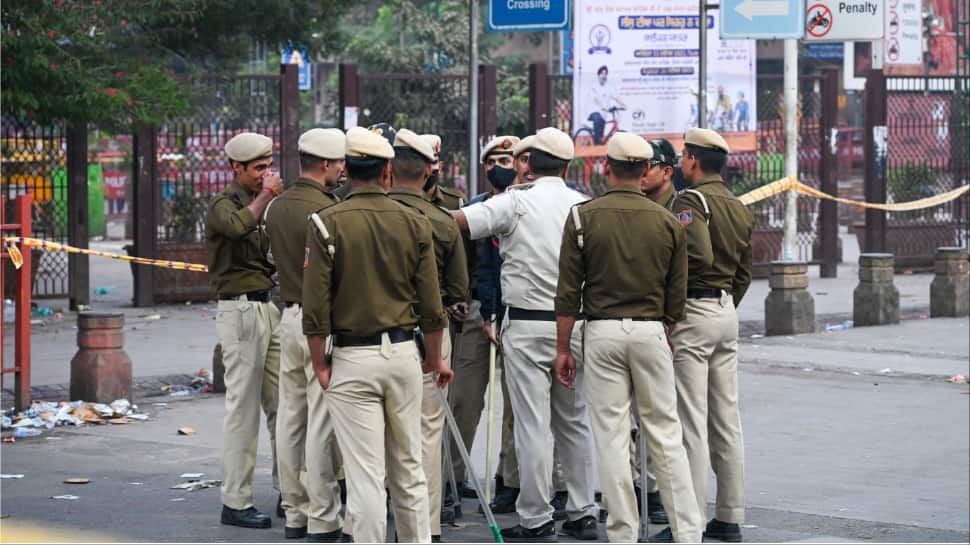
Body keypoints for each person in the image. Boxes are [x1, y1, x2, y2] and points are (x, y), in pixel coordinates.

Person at [302, 126, 453, 543]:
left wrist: (319, 362)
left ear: (347, 170)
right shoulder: (415, 221)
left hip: (351, 358)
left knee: (366, 476)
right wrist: (436, 359)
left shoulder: (326, 222)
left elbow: (315, 308)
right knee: (409, 468)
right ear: (387, 172)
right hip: (405, 355)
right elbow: (432, 305)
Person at [553, 132, 702, 543]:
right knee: (666, 435)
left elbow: (568, 292)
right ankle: (688, 531)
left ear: (607, 167)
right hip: (652, 330)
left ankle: (622, 531)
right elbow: (678, 293)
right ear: (645, 171)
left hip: (600, 333)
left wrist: (563, 348)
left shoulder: (583, 217)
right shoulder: (669, 221)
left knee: (612, 437)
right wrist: (665, 328)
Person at [452, 127, 599, 542]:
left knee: (532, 424)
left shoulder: (513, 202)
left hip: (527, 325)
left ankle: (536, 516)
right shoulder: (582, 205)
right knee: (574, 420)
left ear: (528, 164)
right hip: (575, 324)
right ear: (567, 166)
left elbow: (459, 223)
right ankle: (582, 510)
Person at [671, 127, 754, 543]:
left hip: (695, 310)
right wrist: (725, 301)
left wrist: (677, 305)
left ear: (693, 160)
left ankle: (688, 520)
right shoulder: (738, 206)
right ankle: (729, 515)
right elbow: (745, 271)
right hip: (725, 311)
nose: (680, 163)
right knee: (726, 418)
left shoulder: (691, 200)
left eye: (684, 156)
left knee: (691, 422)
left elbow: (696, 253)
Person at [263, 128, 346, 542]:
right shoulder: (327, 209)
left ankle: (294, 510)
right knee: (320, 420)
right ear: (328, 164)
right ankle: (322, 515)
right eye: (340, 164)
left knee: (289, 418)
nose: (343, 170)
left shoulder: (276, 206)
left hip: (287, 316)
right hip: (320, 324)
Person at [388, 128, 469, 542]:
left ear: (389, 169)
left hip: (371, 336)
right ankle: (426, 527)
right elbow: (457, 292)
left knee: (378, 436)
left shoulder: (355, 213)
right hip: (427, 338)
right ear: (427, 173)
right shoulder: (441, 220)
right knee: (426, 434)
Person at [206, 132, 283, 529]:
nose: (264, 175)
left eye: (267, 167)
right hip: (238, 311)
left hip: (268, 306)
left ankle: (290, 492)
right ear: (236, 168)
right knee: (243, 409)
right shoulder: (224, 205)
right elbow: (236, 228)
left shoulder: (265, 203)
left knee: (284, 405)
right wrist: (267, 196)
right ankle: (235, 500)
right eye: (256, 169)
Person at [585, 66, 626, 145]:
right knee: (598, 119)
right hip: (593, 111)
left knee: (602, 136)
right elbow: (596, 98)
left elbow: (616, 97)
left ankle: (599, 145)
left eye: (605, 74)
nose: (604, 76)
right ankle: (596, 144)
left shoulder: (609, 87)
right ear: (598, 75)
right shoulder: (594, 86)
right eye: (602, 74)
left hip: (603, 114)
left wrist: (623, 105)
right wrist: (602, 106)